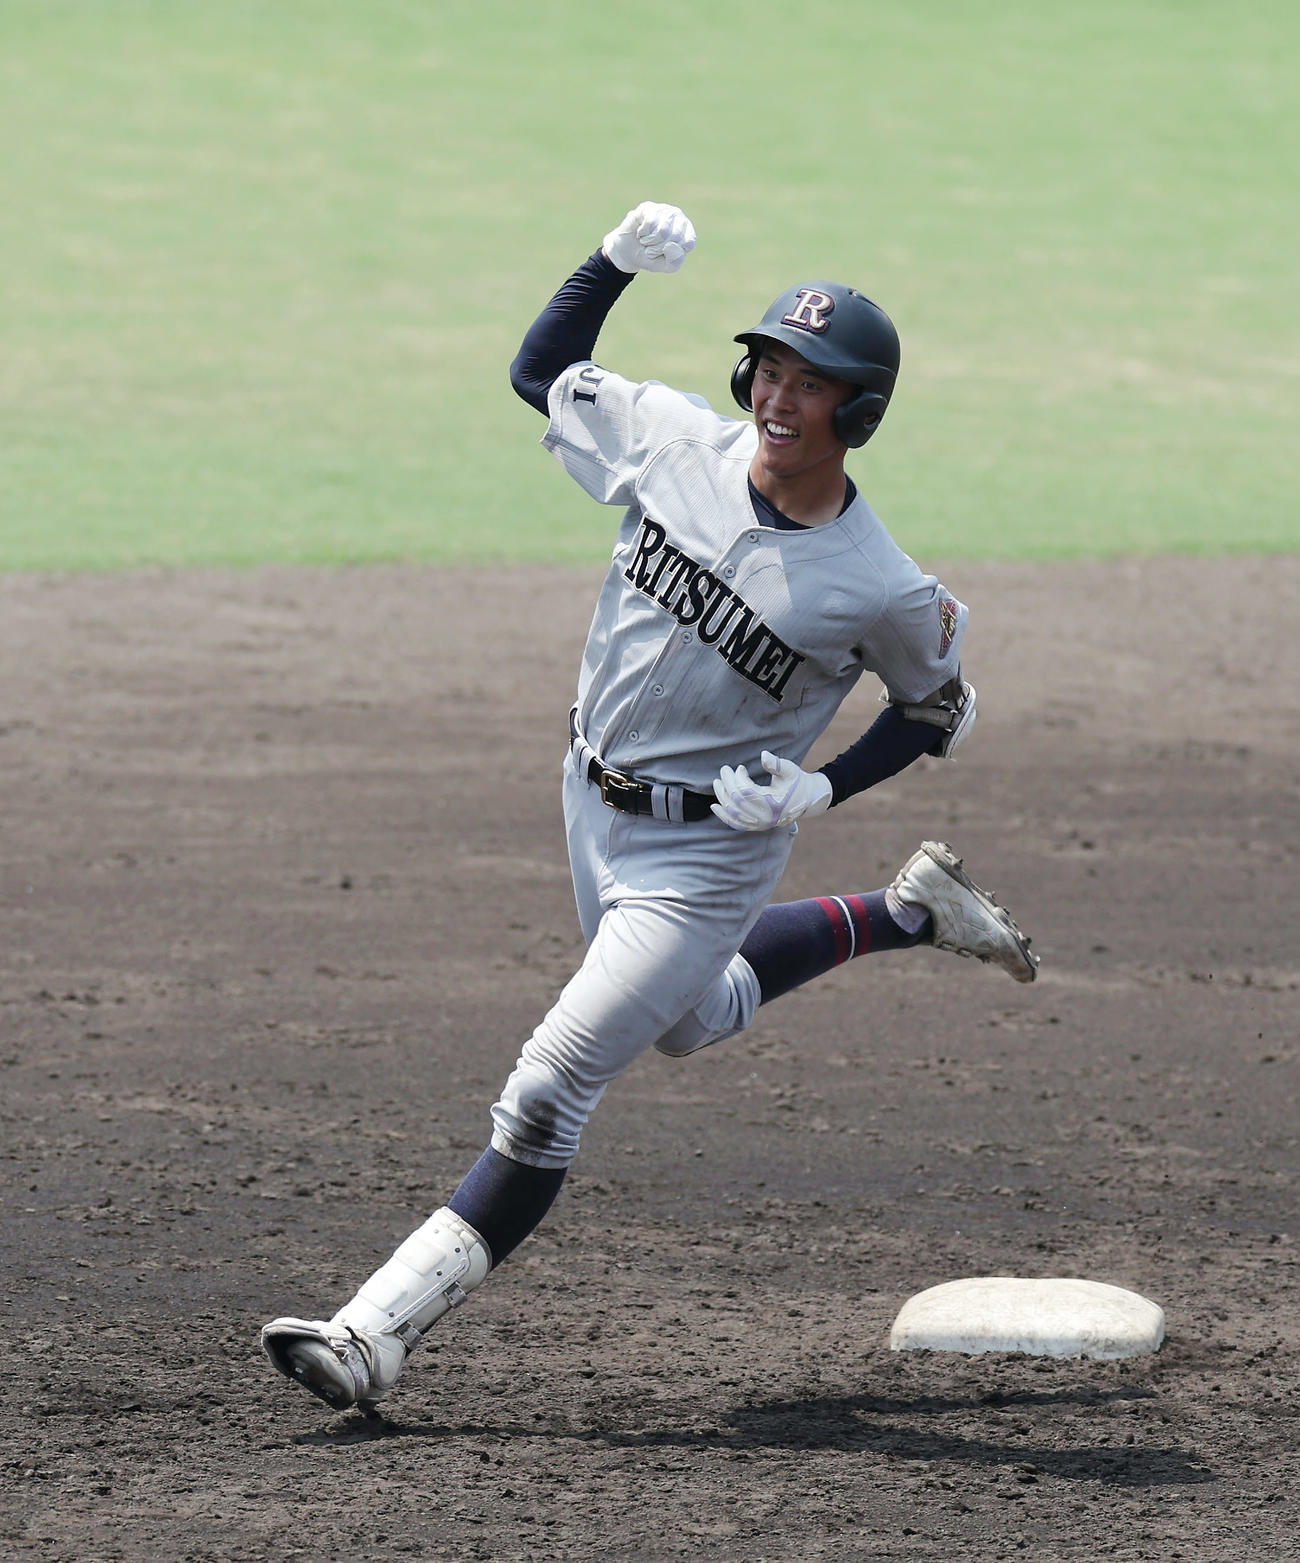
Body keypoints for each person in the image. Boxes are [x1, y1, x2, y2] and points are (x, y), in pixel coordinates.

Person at [261, 201, 1038, 1413]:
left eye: (811, 382)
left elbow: (938, 708)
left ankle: (371, 1337)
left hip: (710, 857)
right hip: (587, 801)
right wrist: (609, 266)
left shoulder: (878, 584)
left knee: (553, 1082)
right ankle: (905, 912)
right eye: (769, 365)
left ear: (860, 414)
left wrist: (823, 784)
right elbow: (539, 372)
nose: (779, 397)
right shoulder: (674, 438)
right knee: (682, 1022)